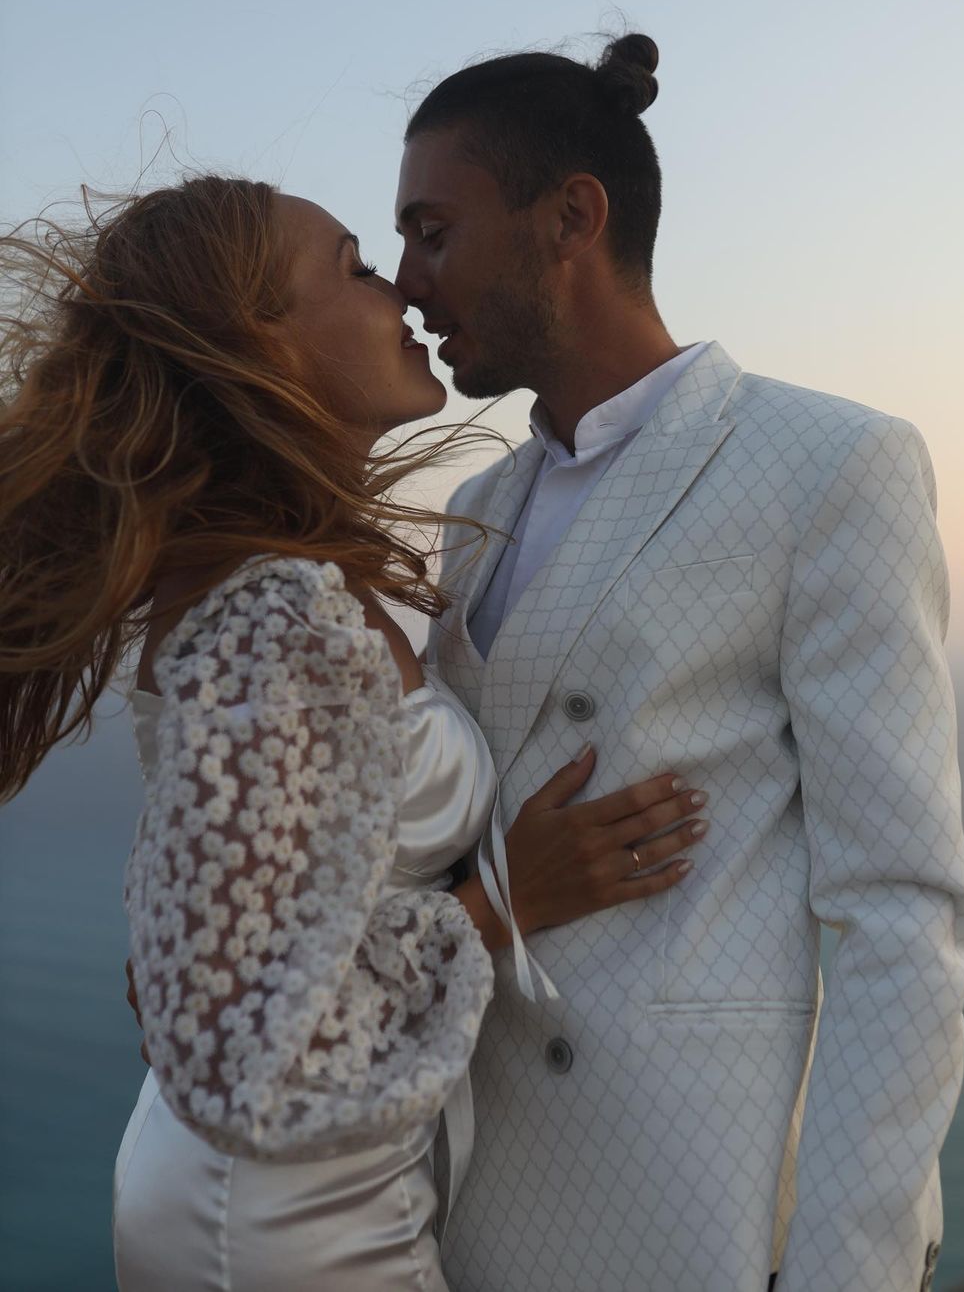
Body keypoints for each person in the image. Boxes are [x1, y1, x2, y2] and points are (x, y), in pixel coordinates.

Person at [0, 177, 710, 1291]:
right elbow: (246, 1058)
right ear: (262, 341)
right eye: (356, 268)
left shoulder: (286, 582)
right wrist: (507, 902)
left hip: (296, 1190)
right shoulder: (273, 611)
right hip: (284, 1223)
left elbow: (229, 931)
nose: (403, 291)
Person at [394, 33, 964, 1292]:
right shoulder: (474, 510)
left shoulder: (829, 465)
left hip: (691, 1220)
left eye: (433, 233)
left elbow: (901, 912)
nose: (405, 282)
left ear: (572, 217)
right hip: (465, 1207)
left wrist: (847, 1269)